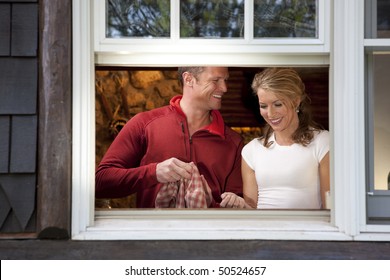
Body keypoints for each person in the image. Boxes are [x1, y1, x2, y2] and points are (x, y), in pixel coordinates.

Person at [95, 67, 243, 208]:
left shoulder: (234, 142)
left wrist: (214, 205)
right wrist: (155, 173)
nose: (224, 88)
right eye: (215, 80)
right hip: (153, 233)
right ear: (189, 79)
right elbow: (100, 182)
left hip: (210, 233)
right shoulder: (144, 124)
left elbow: (238, 207)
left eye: (225, 80)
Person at [220, 68, 330, 209]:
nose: (270, 114)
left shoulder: (322, 142)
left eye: (278, 104)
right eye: (263, 106)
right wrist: (239, 204)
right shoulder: (251, 150)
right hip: (264, 230)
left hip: (307, 230)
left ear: (296, 101)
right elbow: (252, 210)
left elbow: (330, 208)